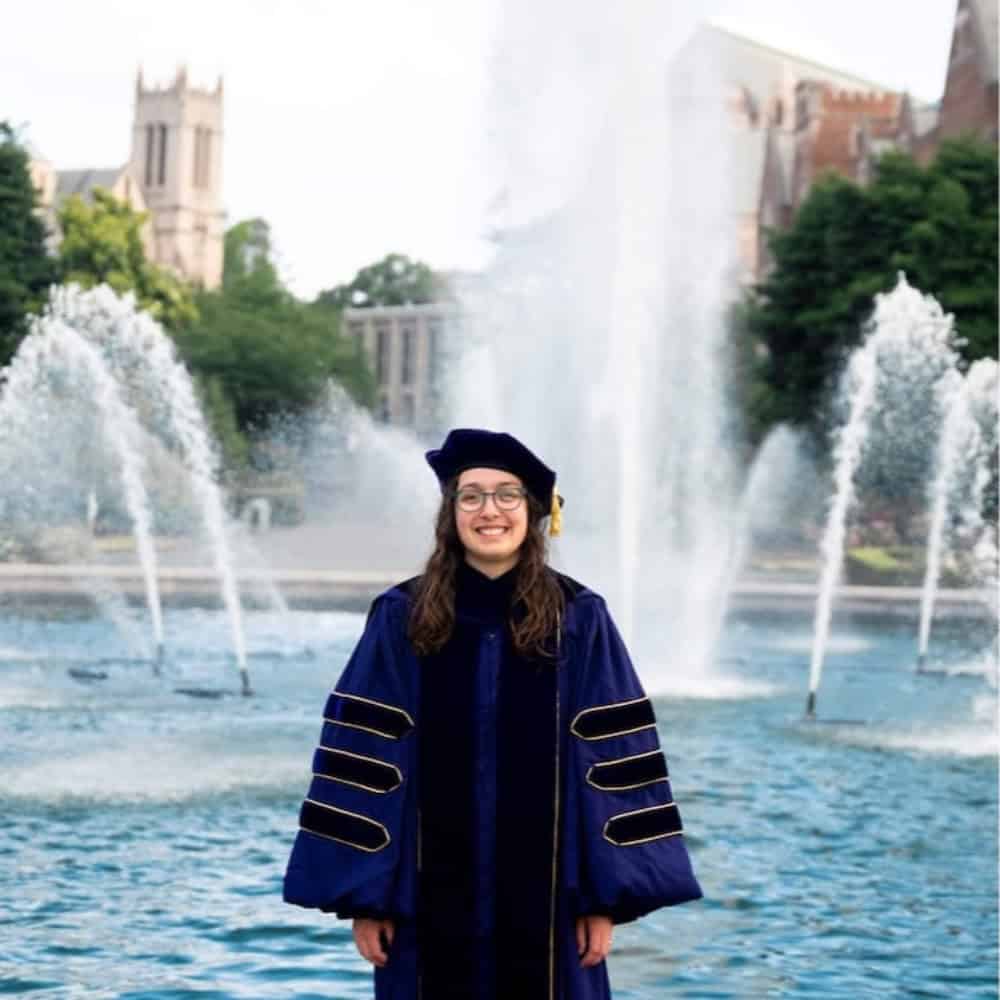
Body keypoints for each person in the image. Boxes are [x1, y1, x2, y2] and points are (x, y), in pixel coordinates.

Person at [283, 428, 703, 998]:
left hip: (554, 903)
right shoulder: (401, 617)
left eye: (507, 495)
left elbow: (615, 766)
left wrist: (603, 900)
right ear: (450, 514)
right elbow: (364, 761)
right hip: (422, 901)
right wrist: (367, 896)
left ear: (534, 513)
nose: (490, 511)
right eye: (471, 495)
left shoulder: (579, 619)